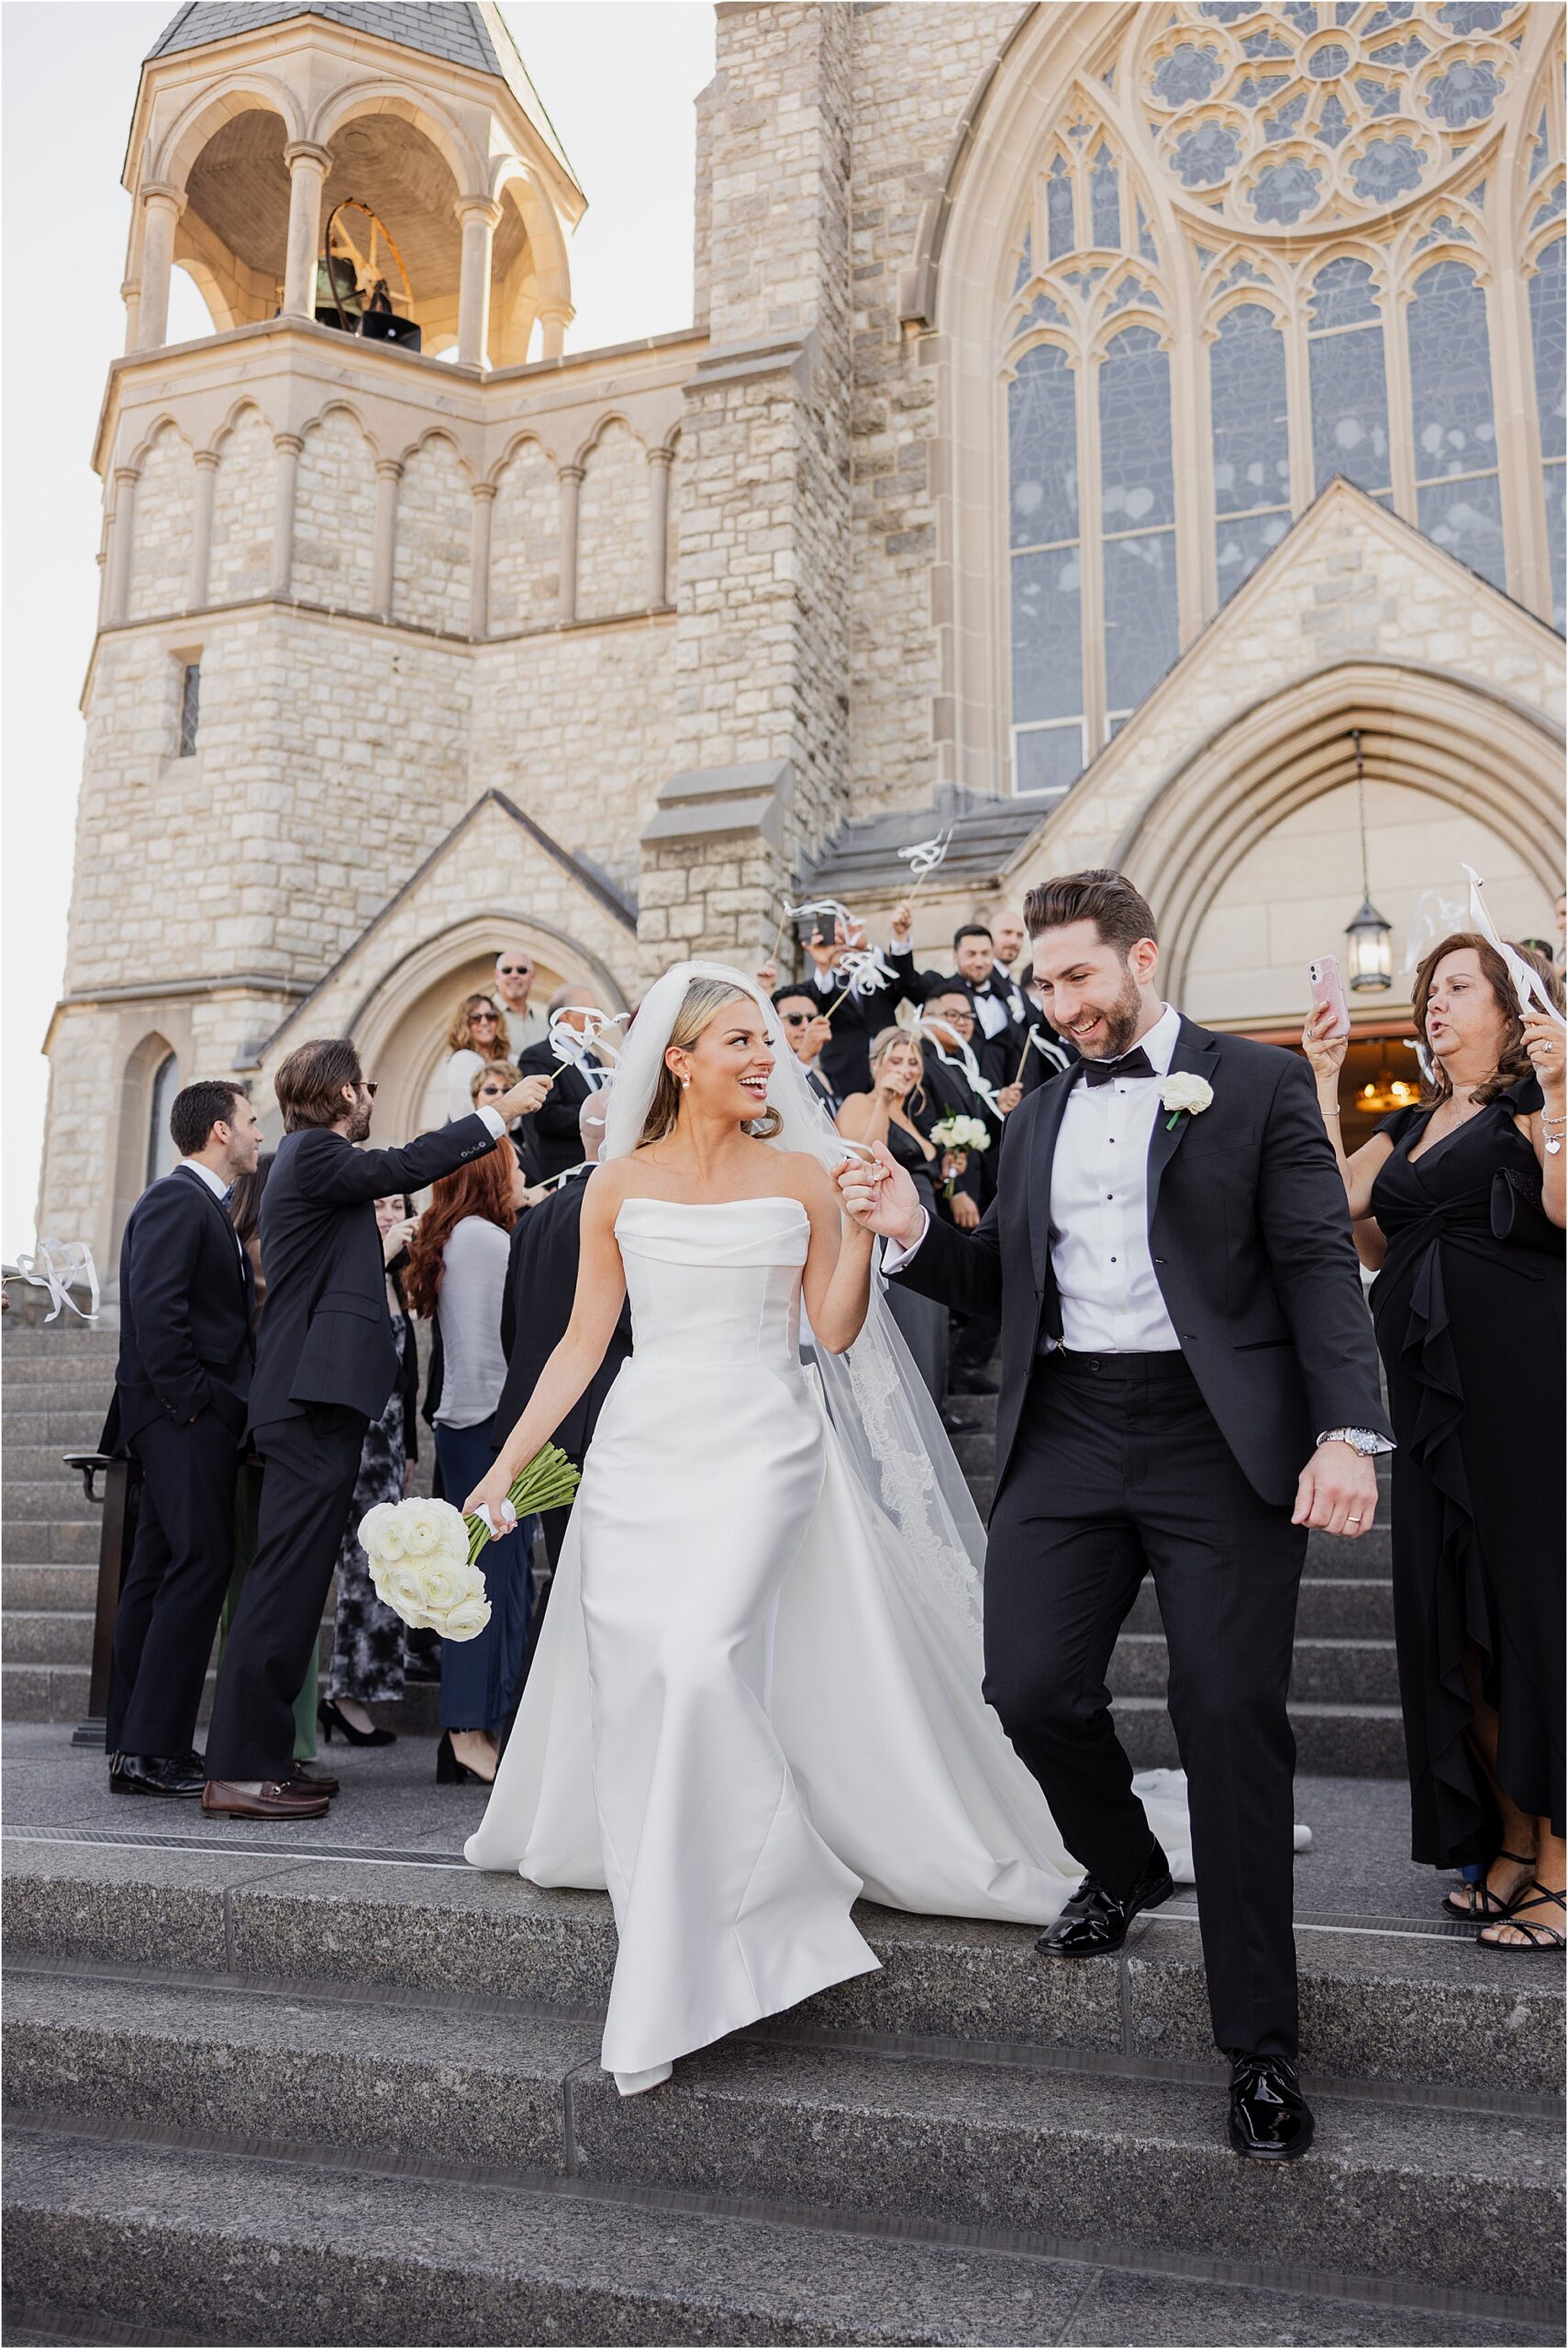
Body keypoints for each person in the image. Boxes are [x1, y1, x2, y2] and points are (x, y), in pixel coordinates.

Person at [467, 961, 1145, 2102]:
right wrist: (502, 1469)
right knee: (646, 1672)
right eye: (731, 1041)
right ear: (676, 1063)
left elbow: (832, 1333)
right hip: (641, 1455)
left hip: (764, 1442)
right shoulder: (613, 1183)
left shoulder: (803, 1173)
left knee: (694, 1662)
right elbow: (583, 1345)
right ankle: (704, 1883)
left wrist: (869, 1227)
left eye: (758, 1038)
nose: (758, 1056)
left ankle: (749, 1913)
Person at [844, 869, 1391, 2162]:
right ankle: (1124, 1861)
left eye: (1079, 976)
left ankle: (1259, 2046)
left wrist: (1348, 1432)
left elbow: (1316, 1257)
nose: (1060, 1003)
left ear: (1142, 958)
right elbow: (1001, 1283)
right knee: (1027, 1685)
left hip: (1220, 1438)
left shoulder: (1250, 1088)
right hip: (1072, 1431)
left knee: (1225, 1715)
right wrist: (911, 1222)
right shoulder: (1033, 1117)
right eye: (1043, 982)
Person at [199, 1039, 550, 1820]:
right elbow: (403, 1164)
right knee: (281, 1589)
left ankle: (266, 1762)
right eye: (364, 1086)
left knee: (293, 1591)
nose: (370, 1097)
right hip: (307, 1401)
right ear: (336, 1096)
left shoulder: (312, 1165)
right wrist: (497, 1114)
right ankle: (239, 1772)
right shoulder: (316, 1154)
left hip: (321, 1399)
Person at [1304, 933, 1564, 1952]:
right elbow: (1337, 1221)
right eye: (1427, 991)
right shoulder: (1405, 1126)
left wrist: (1557, 1084)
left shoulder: (1536, 1108)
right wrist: (1324, 1082)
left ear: (1511, 1006)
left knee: (1529, 1618)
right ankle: (1501, 1837)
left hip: (1522, 1394)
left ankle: (1554, 1864)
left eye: (1457, 987)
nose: (1433, 1005)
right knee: (1454, 1624)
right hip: (1421, 1403)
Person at [104, 1081, 261, 1798]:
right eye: (253, 1123)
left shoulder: (208, 1207)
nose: (260, 1135)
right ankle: (152, 1749)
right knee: (201, 1563)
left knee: (160, 1570)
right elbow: (156, 1309)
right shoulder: (178, 1199)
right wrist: (197, 1405)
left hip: (178, 1415)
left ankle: (135, 1742)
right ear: (221, 1132)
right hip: (179, 1418)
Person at [406, 1140, 533, 1787]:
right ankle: (463, 1731)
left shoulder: (462, 1234)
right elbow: (497, 1348)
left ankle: (477, 1727)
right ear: (488, 1171)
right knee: (483, 1587)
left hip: (475, 1424)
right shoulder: (482, 1237)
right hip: (489, 1428)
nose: (520, 1173)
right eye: (511, 1164)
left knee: (497, 1583)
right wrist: (517, 1444)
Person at [496, 1094, 632, 1586]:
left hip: (539, 1425)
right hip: (608, 1420)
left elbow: (512, 1329)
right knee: (609, 1579)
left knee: (565, 1577)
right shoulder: (627, 1213)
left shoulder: (532, 1220)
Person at [221, 1152, 324, 1782]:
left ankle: (273, 1738)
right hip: (270, 1435)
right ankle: (284, 1741)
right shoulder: (270, 1247)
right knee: (282, 1585)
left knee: (254, 1586)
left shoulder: (240, 1242)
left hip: (249, 1435)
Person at [318, 1192, 422, 1749]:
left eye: (398, 1206)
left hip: (386, 1443)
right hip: (352, 1438)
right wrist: (379, 1254)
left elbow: (404, 1377)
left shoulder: (393, 1278)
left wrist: (407, 1448)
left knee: (382, 1569)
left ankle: (360, 1689)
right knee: (361, 1571)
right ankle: (345, 1693)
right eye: (379, 1205)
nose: (390, 1215)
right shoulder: (353, 1269)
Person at [836, 1027, 948, 1404]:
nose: (905, 1069)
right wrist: (882, 1101)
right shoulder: (860, 1102)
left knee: (932, 1322)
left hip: (926, 1226)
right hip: (890, 1231)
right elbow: (858, 1161)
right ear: (875, 1065)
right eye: (896, 1061)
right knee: (910, 1322)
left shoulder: (917, 1110)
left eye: (912, 1062)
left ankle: (936, 1409)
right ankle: (911, 1410)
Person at [917, 984, 1006, 1397]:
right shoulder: (921, 1062)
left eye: (967, 1017)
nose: (962, 1024)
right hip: (946, 1197)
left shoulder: (962, 1066)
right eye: (952, 1015)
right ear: (928, 1015)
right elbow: (925, 1130)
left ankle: (965, 1368)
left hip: (978, 1192)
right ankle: (960, 1370)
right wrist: (953, 1188)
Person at [515, 985, 606, 1184]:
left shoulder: (593, 1060)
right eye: (591, 1012)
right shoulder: (537, 1057)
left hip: (602, 1168)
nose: (598, 1019)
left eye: (599, 1012)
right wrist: (601, 1118)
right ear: (565, 1017)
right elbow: (545, 1115)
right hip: (564, 1174)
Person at [773, 983, 839, 1116]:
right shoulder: (765, 1071)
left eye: (811, 1018)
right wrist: (805, 1056)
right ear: (773, 1022)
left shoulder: (821, 1076)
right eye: (794, 1019)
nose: (805, 1026)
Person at [444, 993, 511, 1122]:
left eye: (491, 1016)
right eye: (475, 1018)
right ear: (464, 1024)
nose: (484, 1023)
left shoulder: (510, 1060)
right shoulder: (461, 1060)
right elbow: (466, 1114)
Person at [494, 946, 548, 1055]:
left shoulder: (543, 1025)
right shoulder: (483, 1019)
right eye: (507, 970)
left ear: (532, 976)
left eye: (522, 970)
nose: (514, 975)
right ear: (496, 976)